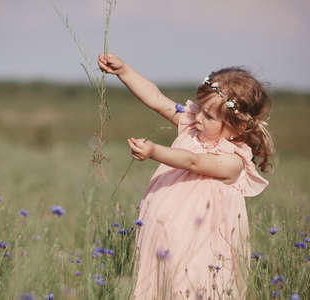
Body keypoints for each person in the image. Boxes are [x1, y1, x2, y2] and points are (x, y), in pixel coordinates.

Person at [98, 53, 274, 300]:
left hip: (199, 247)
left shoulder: (232, 161)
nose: (198, 117)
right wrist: (124, 71)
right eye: (200, 110)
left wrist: (154, 151)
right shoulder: (193, 127)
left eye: (209, 116)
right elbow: (157, 100)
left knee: (189, 289)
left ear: (238, 126)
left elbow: (194, 161)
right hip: (161, 236)